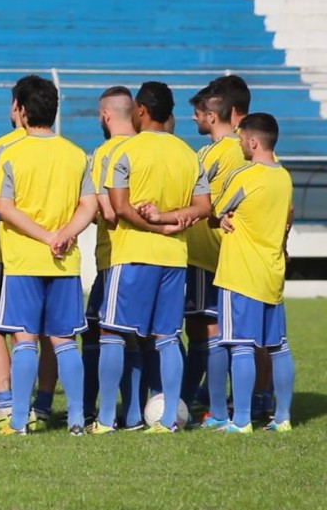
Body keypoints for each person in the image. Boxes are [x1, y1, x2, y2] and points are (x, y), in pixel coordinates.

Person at [93, 81, 211, 434]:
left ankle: (104, 419)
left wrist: (154, 225)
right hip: (175, 257)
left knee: (113, 333)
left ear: (140, 111)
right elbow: (203, 207)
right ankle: (167, 420)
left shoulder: (124, 151)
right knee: (168, 337)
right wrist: (171, 219)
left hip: (132, 253)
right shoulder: (187, 153)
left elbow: (119, 208)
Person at [0, 75, 95, 436]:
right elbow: (88, 205)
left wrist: (45, 235)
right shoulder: (76, 154)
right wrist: (65, 234)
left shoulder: (10, 154)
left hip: (22, 260)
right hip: (64, 261)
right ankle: (77, 419)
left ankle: (18, 420)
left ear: (20, 108)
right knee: (64, 341)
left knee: (24, 340)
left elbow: (4, 207)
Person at [207, 113, 294, 433]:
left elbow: (215, 211)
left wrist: (224, 216)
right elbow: (285, 219)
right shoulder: (284, 176)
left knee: (240, 345)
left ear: (253, 142)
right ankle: (282, 417)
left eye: (242, 139)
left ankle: (240, 420)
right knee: (278, 347)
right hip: (272, 274)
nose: (240, 144)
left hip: (241, 274)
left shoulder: (245, 175)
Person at [181, 83, 248, 419]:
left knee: (207, 332)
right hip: (217, 253)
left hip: (206, 254)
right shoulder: (230, 150)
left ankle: (206, 404)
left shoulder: (223, 152)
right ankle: (200, 398)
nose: (193, 117)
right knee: (209, 331)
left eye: (197, 112)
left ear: (211, 115)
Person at [83, 86, 139, 426]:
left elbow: (107, 210)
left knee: (100, 331)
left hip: (115, 256)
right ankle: (139, 412)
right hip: (162, 256)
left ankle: (97, 412)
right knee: (150, 336)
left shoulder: (104, 154)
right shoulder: (149, 148)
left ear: (106, 115)